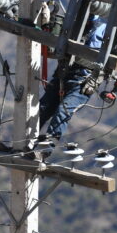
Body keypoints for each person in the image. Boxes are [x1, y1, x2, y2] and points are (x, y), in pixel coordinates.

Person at [38, 12, 107, 143]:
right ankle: (22, 145)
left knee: (63, 111)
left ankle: (45, 150)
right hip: (63, 74)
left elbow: (110, 60)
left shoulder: (104, 30)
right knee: (41, 109)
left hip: (83, 81)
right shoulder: (71, 24)